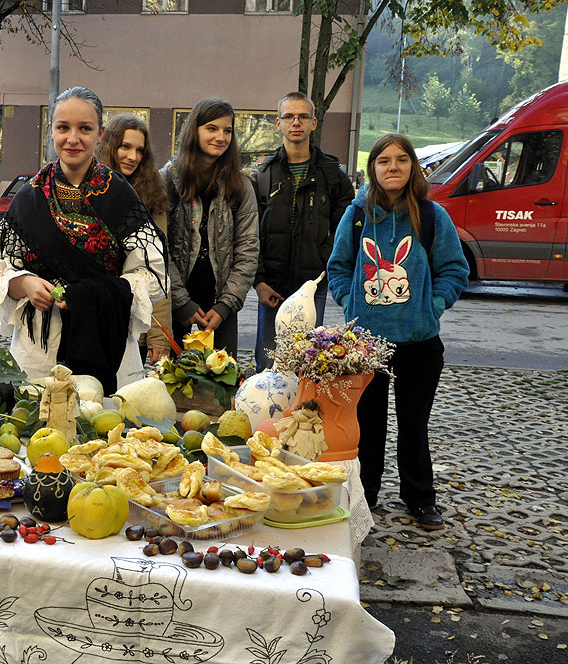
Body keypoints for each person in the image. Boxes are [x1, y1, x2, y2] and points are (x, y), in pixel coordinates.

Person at [0, 86, 167, 394]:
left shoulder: (120, 197)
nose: (73, 138)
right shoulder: (29, 198)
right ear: (51, 131)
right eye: (63, 128)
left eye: (85, 129)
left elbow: (153, 274)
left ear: (100, 134)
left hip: (107, 343)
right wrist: (25, 283)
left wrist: (89, 296)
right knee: (36, 419)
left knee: (105, 421)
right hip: (39, 348)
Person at [327, 133, 469, 530]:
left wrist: (433, 305)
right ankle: (365, 495)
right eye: (384, 160)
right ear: (372, 167)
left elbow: (455, 270)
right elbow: (338, 267)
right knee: (367, 425)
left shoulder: (432, 216)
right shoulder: (357, 215)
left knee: (414, 425)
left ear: (412, 167)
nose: (393, 167)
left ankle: (420, 499)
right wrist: (351, 302)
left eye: (402, 160)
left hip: (420, 343)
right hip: (366, 345)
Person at [251, 91, 354, 371]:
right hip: (272, 286)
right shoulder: (263, 174)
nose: (296, 122)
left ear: (313, 123)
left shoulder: (332, 174)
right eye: (289, 117)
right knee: (268, 364)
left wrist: (326, 263)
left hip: (312, 284)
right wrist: (259, 281)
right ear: (278, 123)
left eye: (302, 117)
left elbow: (345, 229)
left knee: (306, 363)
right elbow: (251, 234)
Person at [161, 98, 259, 356]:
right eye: (212, 128)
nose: (221, 137)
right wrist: (182, 302)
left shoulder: (241, 186)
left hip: (221, 306)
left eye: (227, 130)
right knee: (172, 378)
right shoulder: (167, 181)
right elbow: (159, 248)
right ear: (195, 130)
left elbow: (248, 250)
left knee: (223, 378)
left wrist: (226, 304)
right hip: (175, 304)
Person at [95, 113, 173, 364]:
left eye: (140, 150)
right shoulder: (88, 189)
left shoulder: (151, 196)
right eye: (125, 147)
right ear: (109, 147)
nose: (133, 157)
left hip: (133, 324)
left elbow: (158, 268)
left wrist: (159, 336)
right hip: (90, 316)